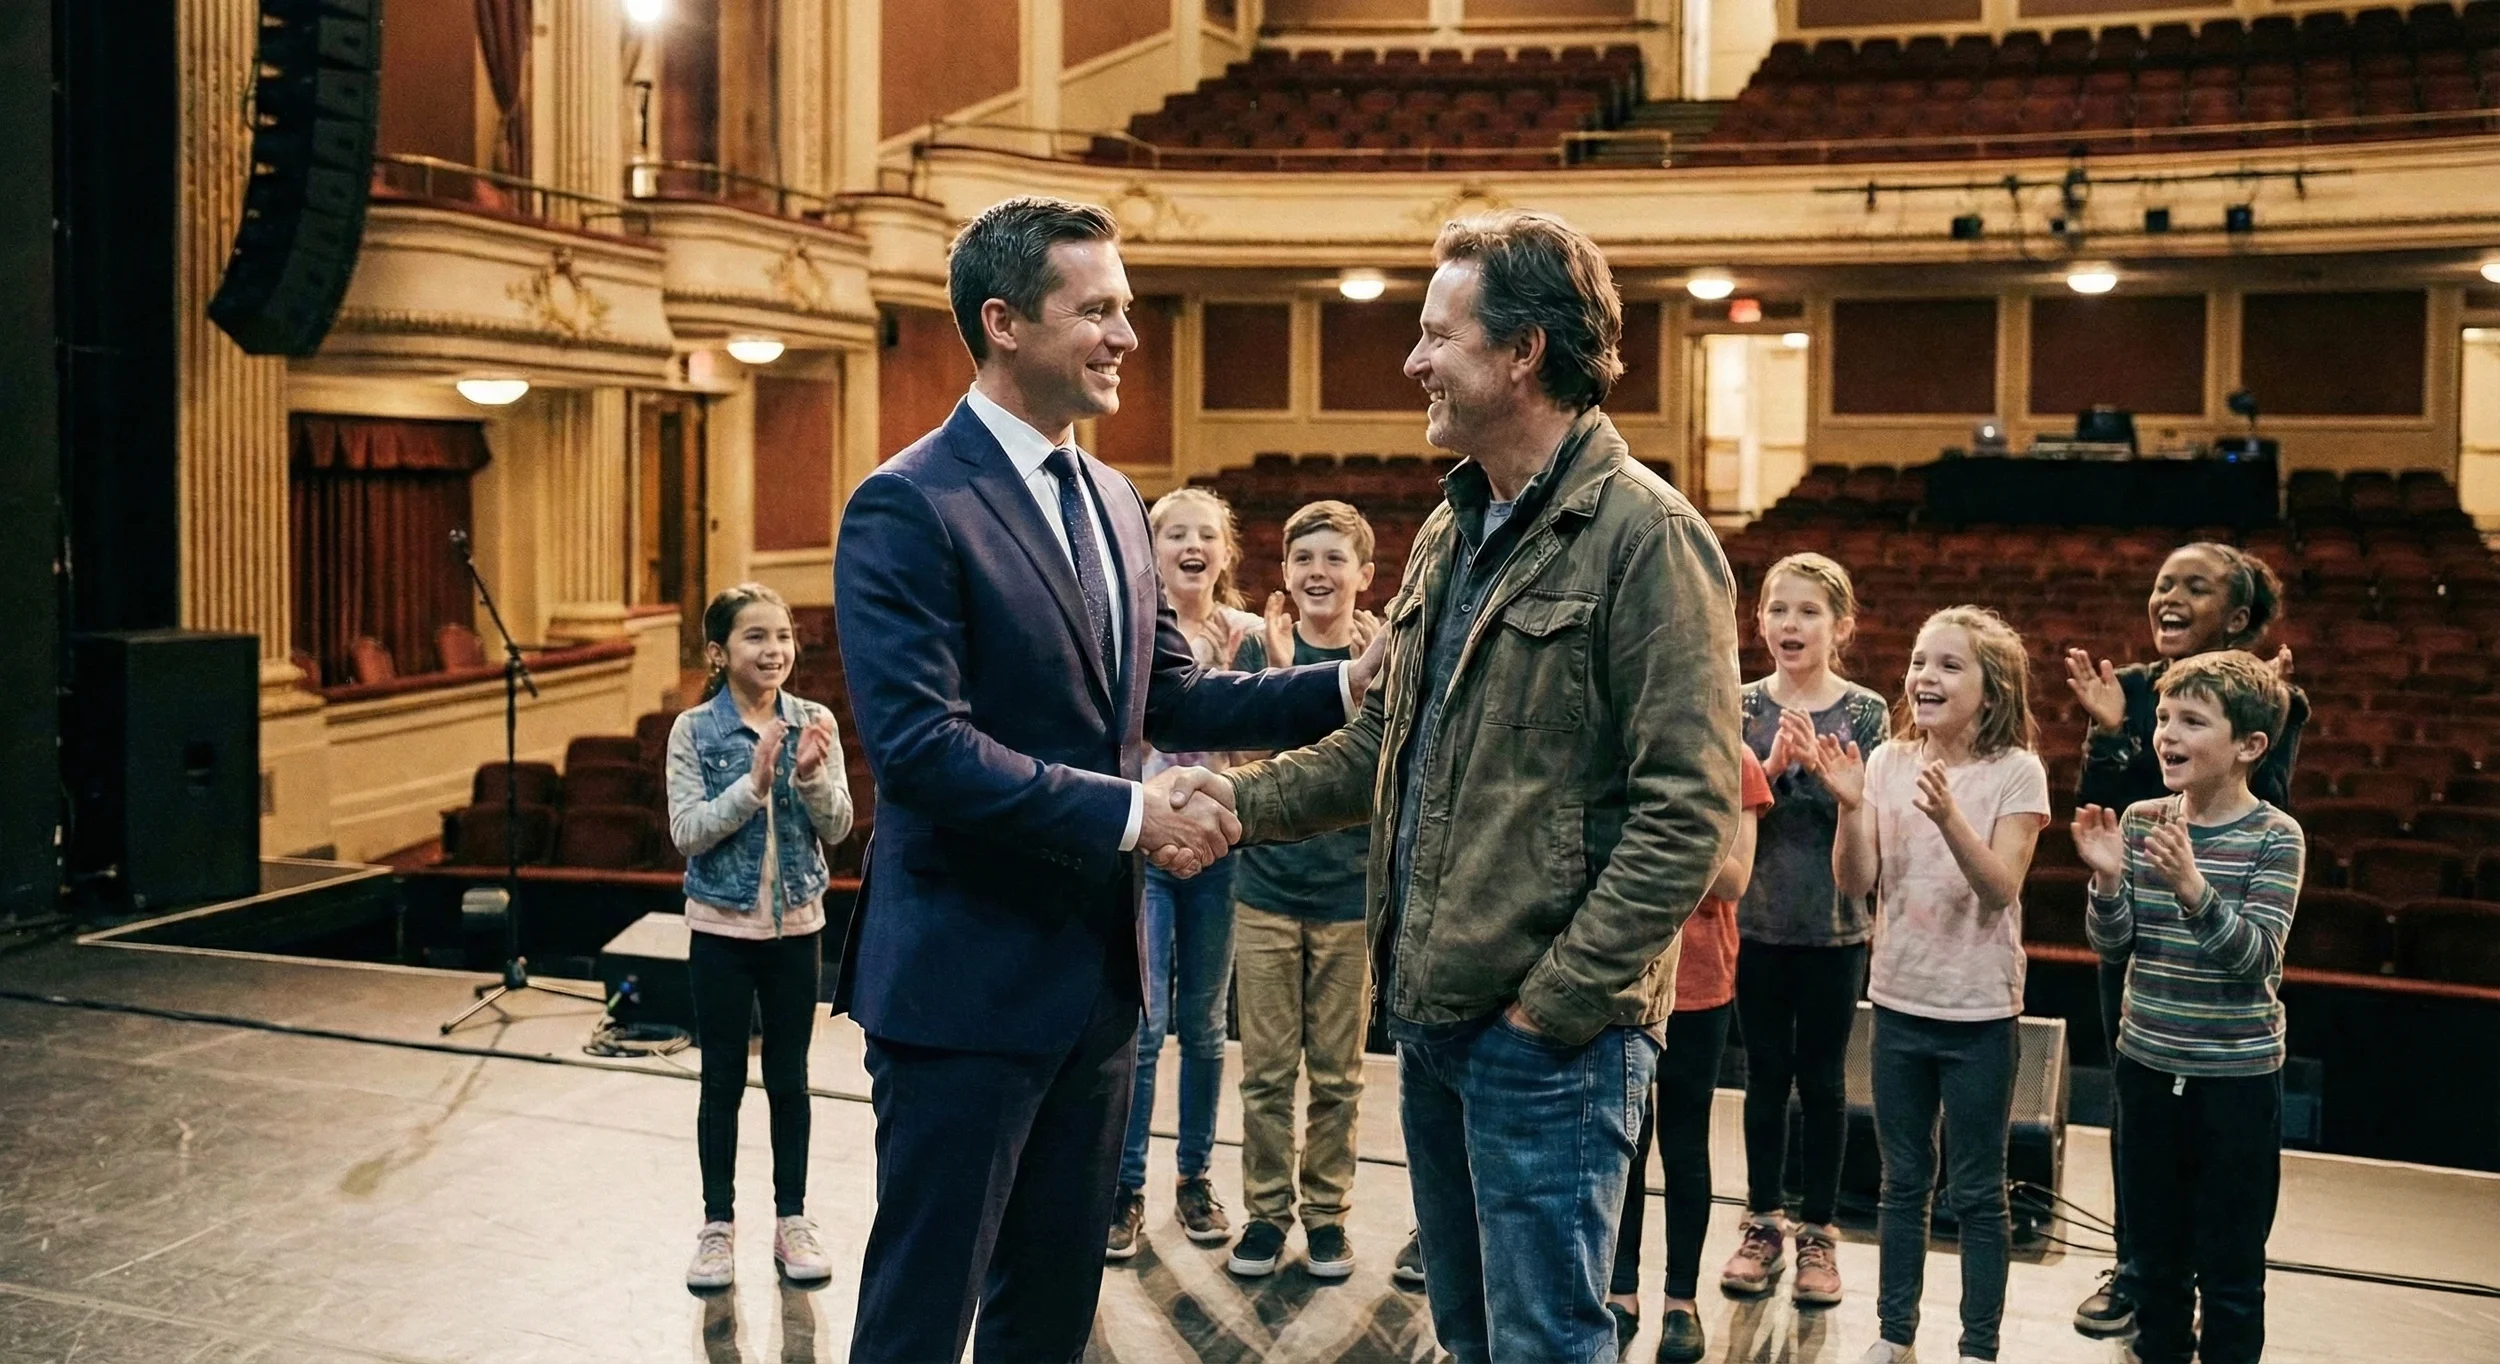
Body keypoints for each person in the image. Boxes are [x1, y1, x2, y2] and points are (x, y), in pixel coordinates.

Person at [831, 195, 1380, 1364]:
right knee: (920, 1315)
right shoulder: (907, 502)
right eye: (1099, 310)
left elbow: (1171, 696)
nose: (1128, 334)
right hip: (962, 987)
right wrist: (1137, 814)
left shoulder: (1116, 498)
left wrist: (1343, 685)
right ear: (1004, 323)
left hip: (1097, 982)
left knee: (1050, 1312)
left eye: (1124, 309)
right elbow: (922, 750)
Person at [1206, 210, 1743, 1363]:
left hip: (1550, 1047)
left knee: (1546, 1342)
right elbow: (1381, 748)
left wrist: (1550, 1005)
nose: (1412, 362)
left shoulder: (1649, 539)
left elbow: (1686, 812)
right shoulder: (1453, 532)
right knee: (1466, 1334)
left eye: (1436, 335)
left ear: (1521, 352)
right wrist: (1230, 807)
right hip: (1440, 1020)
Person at [2062, 541, 2305, 1335]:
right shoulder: (2131, 707)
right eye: (2162, 583)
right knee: (2153, 1199)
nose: (2165, 730)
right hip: (2150, 1003)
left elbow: (2256, 947)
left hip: (2229, 1042)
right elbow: (2111, 898)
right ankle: (2139, 1277)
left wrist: (2192, 882)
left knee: (2231, 1252)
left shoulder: (2275, 745)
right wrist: (2112, 740)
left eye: (2192, 587)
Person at [1818, 606, 2049, 1364]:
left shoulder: (2017, 772)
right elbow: (1856, 883)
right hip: (1898, 1003)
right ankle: (1894, 1334)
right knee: (1901, 1181)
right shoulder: (1886, 762)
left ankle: (1978, 1346)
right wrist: (1852, 808)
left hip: (1980, 1013)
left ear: (1992, 688)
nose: (1926, 676)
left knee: (1979, 1192)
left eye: (1949, 665)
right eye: (1920, 661)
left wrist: (1951, 815)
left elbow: (1999, 887)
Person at [666, 584, 854, 1292]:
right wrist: (752, 786)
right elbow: (686, 832)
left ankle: (792, 1218)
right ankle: (717, 1226)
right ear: (719, 652)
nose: (773, 649)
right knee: (721, 1080)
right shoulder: (695, 730)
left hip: (796, 927)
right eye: (755, 637)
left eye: (782, 636)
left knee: (790, 1080)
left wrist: (807, 779)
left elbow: (838, 826)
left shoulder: (814, 720)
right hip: (719, 926)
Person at [1725, 552, 1890, 1307]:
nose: (1790, 624)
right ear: (1759, 621)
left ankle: (1819, 1234)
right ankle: (1762, 1223)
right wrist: (1767, 764)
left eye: (1808, 611)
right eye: (1778, 610)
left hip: (1833, 930)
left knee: (1823, 1084)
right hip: (1753, 925)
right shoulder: (1739, 702)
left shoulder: (1864, 712)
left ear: (1841, 626)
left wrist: (1830, 783)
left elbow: (1871, 816)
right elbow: (1720, 806)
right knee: (1763, 1079)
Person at [1224, 499, 1383, 1279]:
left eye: (1333, 558)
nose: (1318, 572)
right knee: (1264, 1071)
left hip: (1351, 893)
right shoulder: (1259, 647)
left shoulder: (1384, 653)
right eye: (1304, 559)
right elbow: (1244, 763)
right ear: (1285, 573)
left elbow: (1378, 762)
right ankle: (1264, 1215)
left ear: (1363, 574)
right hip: (1265, 891)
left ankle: (1326, 1216)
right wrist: (1284, 679)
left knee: (1339, 1074)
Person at [1107, 487, 1265, 1259]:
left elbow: (1277, 738)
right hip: (1147, 852)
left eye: (1207, 533)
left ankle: (1193, 1179)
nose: (1191, 544)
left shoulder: (1251, 634)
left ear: (1224, 553)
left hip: (1219, 857)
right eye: (1174, 534)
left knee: (1204, 1028)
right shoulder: (1133, 633)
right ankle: (1124, 1187)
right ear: (1153, 549)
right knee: (1145, 1027)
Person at [1608, 743, 1774, 1362]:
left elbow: (1733, 878)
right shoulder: (1632, 742)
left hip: (1700, 985)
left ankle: (1682, 1302)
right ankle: (1620, 1293)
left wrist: (1664, 826)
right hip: (1624, 975)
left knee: (1684, 1145)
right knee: (1623, 1142)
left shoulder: (1737, 761)